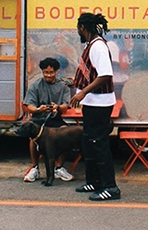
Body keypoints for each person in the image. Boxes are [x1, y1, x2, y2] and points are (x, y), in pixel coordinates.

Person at [70, 12, 120, 201]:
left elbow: (105, 75)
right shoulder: (91, 45)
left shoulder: (98, 46)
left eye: (78, 29)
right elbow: (91, 74)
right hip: (92, 103)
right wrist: (76, 85)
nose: (78, 32)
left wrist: (83, 92)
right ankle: (94, 181)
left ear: (83, 28)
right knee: (89, 143)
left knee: (99, 145)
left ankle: (110, 187)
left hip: (100, 104)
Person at [23, 57, 74, 183]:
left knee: (68, 133)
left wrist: (57, 107)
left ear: (57, 71)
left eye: (51, 72)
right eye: (46, 72)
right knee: (33, 136)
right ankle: (35, 168)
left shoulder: (63, 86)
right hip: (38, 119)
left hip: (54, 118)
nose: (48, 75)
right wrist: (38, 109)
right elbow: (29, 106)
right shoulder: (36, 85)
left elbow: (65, 106)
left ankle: (59, 167)